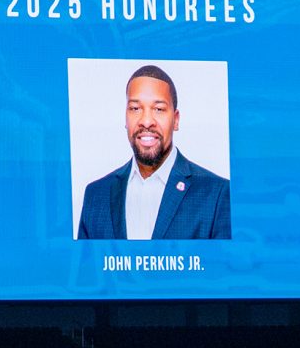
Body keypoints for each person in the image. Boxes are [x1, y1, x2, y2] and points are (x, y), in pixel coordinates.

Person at [76, 64, 231, 240]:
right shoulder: (96, 195)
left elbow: (221, 266)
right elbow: (86, 267)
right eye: (135, 108)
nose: (147, 121)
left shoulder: (217, 194)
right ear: (125, 117)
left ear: (176, 120)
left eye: (158, 109)